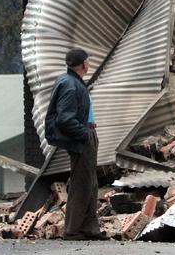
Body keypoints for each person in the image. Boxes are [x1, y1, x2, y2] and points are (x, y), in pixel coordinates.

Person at [44, 48, 106, 241]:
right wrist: (84, 134)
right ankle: (72, 230)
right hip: (82, 137)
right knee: (82, 185)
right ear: (84, 64)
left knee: (90, 184)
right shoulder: (70, 85)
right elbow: (64, 119)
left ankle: (89, 228)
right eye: (88, 61)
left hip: (86, 134)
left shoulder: (71, 81)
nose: (89, 64)